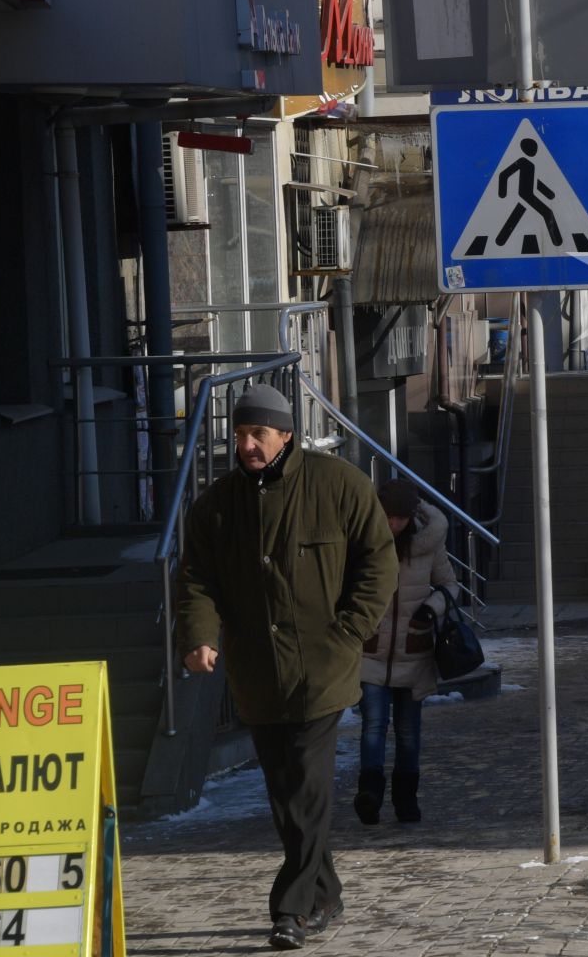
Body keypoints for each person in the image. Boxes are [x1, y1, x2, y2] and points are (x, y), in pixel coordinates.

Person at [174, 384, 397, 951]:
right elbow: (196, 578)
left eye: (258, 434)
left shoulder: (337, 484)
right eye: (241, 434)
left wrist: (349, 631)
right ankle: (327, 893)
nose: (247, 444)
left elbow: (378, 560)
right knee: (284, 793)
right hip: (256, 672)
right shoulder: (217, 505)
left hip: (322, 669)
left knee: (309, 784)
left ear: (286, 436)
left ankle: (291, 909)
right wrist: (200, 636)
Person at [354, 480, 455, 828]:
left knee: (409, 731)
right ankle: (368, 795)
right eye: (387, 516)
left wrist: (431, 608)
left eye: (400, 517)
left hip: (414, 651)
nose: (393, 524)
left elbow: (449, 585)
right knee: (373, 726)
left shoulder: (428, 546)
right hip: (371, 651)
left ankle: (406, 800)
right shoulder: (362, 544)